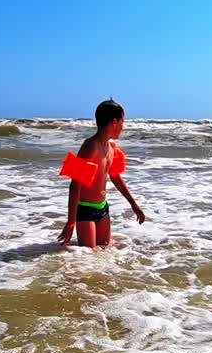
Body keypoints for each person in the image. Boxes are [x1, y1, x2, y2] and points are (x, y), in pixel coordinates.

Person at [57, 99, 146, 247]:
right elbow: (74, 185)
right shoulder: (90, 146)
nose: (124, 127)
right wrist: (70, 223)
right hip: (85, 209)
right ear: (114, 122)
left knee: (104, 251)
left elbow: (116, 177)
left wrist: (134, 205)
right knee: (88, 256)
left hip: (103, 208)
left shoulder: (112, 147)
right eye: (123, 122)